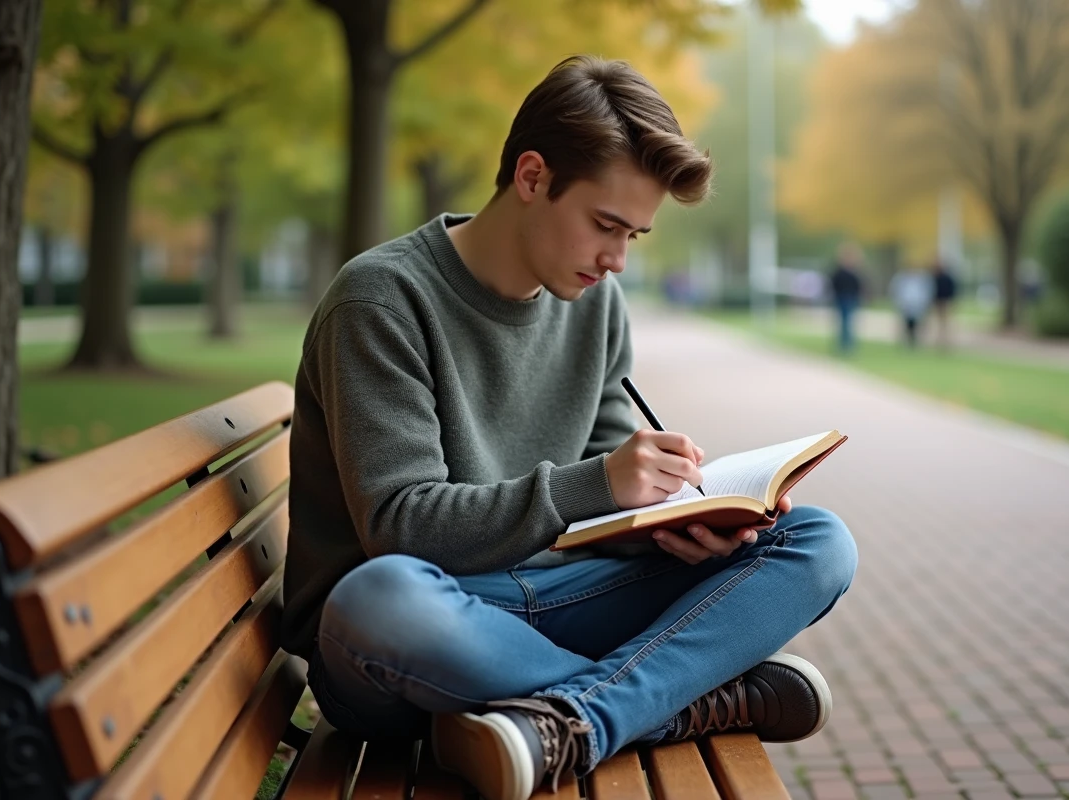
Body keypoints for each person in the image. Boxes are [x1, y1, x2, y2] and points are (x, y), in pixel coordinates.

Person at [281, 55, 857, 800]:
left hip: (552, 603)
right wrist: (601, 482)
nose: (616, 260)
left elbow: (607, 495)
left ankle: (573, 719)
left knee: (817, 541)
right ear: (530, 177)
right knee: (375, 598)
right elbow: (400, 525)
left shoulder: (595, 304)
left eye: (635, 237)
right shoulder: (381, 301)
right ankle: (677, 700)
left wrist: (676, 520)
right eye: (605, 225)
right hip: (419, 631)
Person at [829, 243, 864, 354]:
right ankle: (844, 344)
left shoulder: (854, 272)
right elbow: (833, 284)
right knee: (844, 322)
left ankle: (848, 344)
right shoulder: (839, 272)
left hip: (851, 298)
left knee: (849, 322)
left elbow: (859, 286)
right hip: (842, 298)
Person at [889, 265, 934, 348]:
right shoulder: (902, 278)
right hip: (906, 304)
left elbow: (925, 292)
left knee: (917, 325)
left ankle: (916, 341)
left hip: (917, 304)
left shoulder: (922, 279)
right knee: (907, 324)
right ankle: (907, 341)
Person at [931, 260, 958, 350]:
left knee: (946, 323)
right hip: (937, 302)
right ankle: (938, 341)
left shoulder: (947, 278)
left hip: (946, 302)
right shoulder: (934, 278)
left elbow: (952, 290)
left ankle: (946, 342)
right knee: (937, 323)